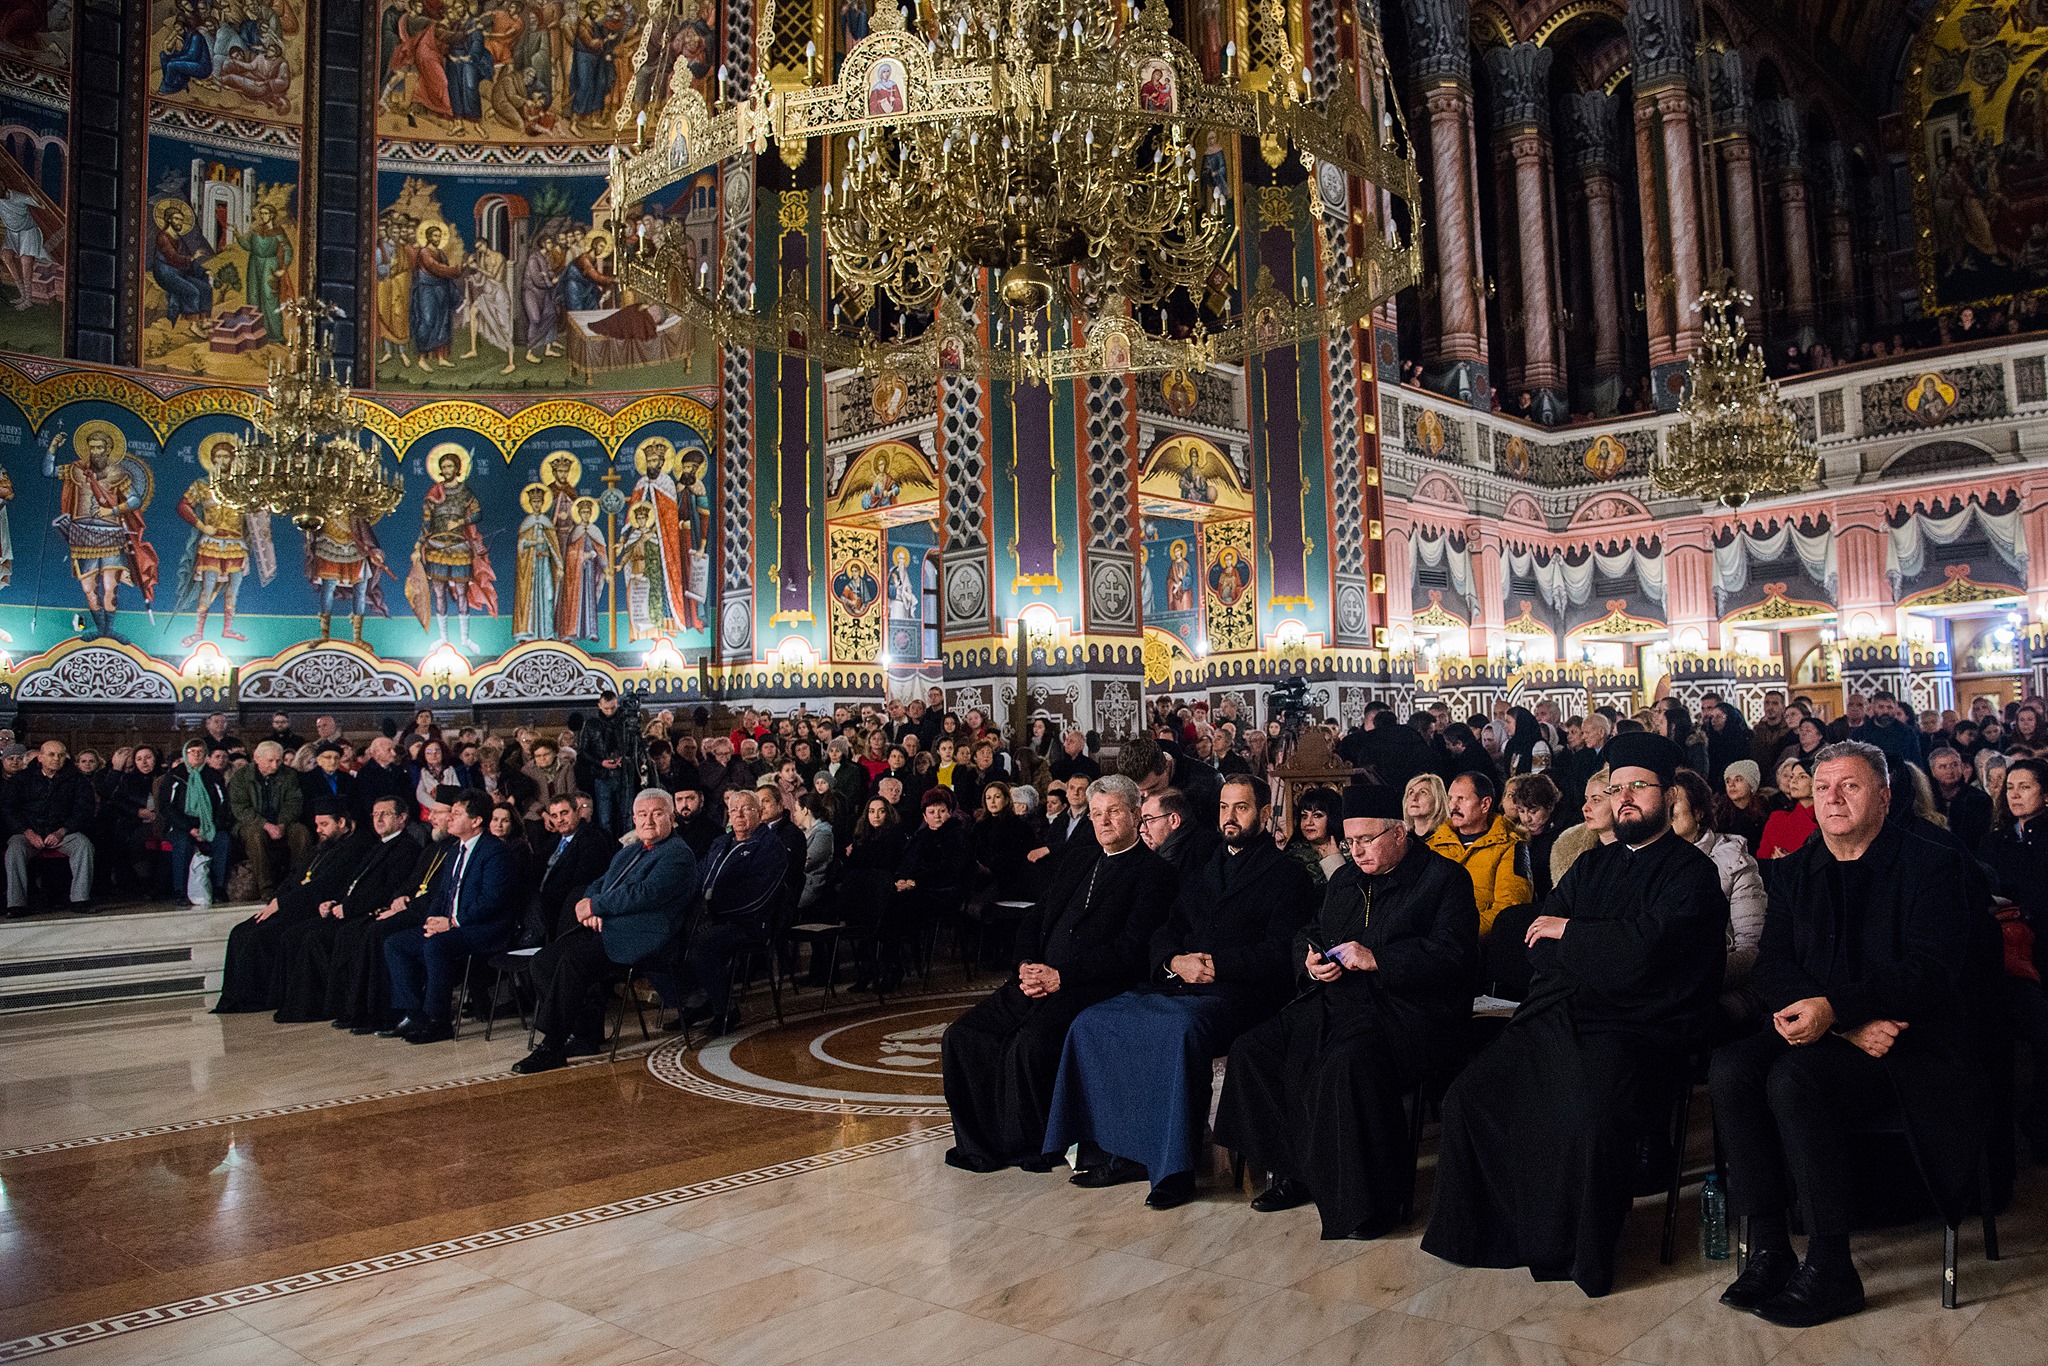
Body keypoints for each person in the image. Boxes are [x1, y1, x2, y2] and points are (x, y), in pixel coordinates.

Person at [1423, 732, 1730, 1297]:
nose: (1626, 797)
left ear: (1669, 794)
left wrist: (1576, 937)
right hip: (1562, 1014)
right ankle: (1494, 1236)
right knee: (1471, 1096)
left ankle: (1571, 1247)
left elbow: (1652, 956)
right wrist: (1587, 946)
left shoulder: (1691, 873)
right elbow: (1535, 942)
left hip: (1642, 1029)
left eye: (1639, 786)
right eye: (1617, 788)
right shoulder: (1591, 867)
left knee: (1585, 1112)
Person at [1710, 742, 1991, 1328]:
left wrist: (1836, 1013)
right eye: (1822, 787)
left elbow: (1930, 969)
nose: (1832, 798)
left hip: (1912, 1040)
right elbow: (1771, 965)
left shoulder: (1932, 862)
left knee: (1793, 1080)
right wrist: (1843, 1024)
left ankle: (1833, 1265)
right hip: (1842, 1027)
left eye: (1850, 787)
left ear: (1885, 796)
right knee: (1731, 1068)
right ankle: (1769, 1247)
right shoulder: (1794, 870)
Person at [1214, 783, 1479, 1238]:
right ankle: (1297, 1171)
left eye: (1366, 840)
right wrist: (1312, 964)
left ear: (1399, 833)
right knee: (1254, 1050)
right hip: (1336, 1002)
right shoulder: (1345, 881)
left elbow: (1454, 957)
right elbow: (1309, 934)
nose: (1355, 851)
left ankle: (1368, 1204)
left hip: (1408, 1014)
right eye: (1349, 841)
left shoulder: (1444, 880)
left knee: (1343, 1065)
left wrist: (1378, 959)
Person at [1044, 775, 1315, 1209]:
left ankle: (1175, 1169)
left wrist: (1214, 965)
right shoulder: (1204, 868)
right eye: (1224, 807)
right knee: (1093, 1021)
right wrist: (1173, 961)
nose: (1229, 816)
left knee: (1178, 1034)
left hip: (1239, 994)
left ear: (1264, 814)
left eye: (1241, 808)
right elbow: (1166, 929)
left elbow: (1281, 951)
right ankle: (1118, 1151)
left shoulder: (1288, 875)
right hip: (1179, 983)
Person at [940, 775, 1176, 1173]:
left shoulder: (1155, 874)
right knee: (961, 1037)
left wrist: (1060, 975)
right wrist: (1025, 965)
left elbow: (1128, 950)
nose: (1103, 821)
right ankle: (982, 1143)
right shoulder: (1080, 858)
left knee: (1028, 1046)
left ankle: (1029, 1146)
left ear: (1137, 815)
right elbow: (1035, 917)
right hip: (1038, 978)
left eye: (1114, 812)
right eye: (1097, 813)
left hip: (1090, 986)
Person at [513, 789, 702, 1074]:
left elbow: (646, 893)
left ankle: (552, 1046)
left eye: (657, 813)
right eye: (642, 815)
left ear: (671, 818)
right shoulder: (630, 851)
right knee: (544, 960)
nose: (648, 820)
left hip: (646, 935)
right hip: (613, 927)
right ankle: (586, 1033)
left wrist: (598, 906)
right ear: (634, 820)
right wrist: (589, 904)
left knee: (575, 959)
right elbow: (599, 882)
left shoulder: (677, 854)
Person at [379, 789, 520, 1044]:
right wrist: (432, 921)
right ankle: (414, 1014)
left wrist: (453, 922)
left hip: (487, 929)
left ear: (476, 821)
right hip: (452, 926)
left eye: (456, 814)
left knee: (436, 945)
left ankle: (438, 1020)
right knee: (396, 943)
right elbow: (442, 895)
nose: (450, 819)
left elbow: (492, 900)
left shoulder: (495, 851)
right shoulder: (454, 851)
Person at [214, 801, 372, 1014]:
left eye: (324, 824)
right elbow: (294, 876)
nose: (319, 831)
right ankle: (237, 998)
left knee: (258, 937)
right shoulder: (322, 847)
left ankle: (260, 998)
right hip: (293, 904)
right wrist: (275, 901)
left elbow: (324, 886)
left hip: (311, 908)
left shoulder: (354, 847)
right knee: (241, 932)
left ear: (342, 823)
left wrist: (282, 904)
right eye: (317, 825)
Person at [273, 797, 421, 1023]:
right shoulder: (378, 846)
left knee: (323, 937)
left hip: (366, 912)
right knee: (295, 935)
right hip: (350, 909)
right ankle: (309, 1004)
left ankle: (342, 1007)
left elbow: (386, 891)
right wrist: (334, 901)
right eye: (375, 814)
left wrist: (348, 907)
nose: (378, 819)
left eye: (386, 814)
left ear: (402, 818)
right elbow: (353, 883)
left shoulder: (406, 848)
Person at [682, 788, 788, 1035]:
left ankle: (725, 1010)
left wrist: (712, 909)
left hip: (748, 923)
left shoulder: (770, 847)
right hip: (713, 919)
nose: (739, 814)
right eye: (733, 810)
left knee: (699, 947)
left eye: (746, 809)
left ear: (760, 813)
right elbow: (697, 878)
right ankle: (698, 1002)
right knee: (667, 939)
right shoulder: (721, 842)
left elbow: (758, 897)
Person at [1667, 769, 1766, 1021]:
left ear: (1698, 812)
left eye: (1674, 803)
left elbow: (1751, 947)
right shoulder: (1652, 861)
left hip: (1722, 986)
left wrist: (1693, 977)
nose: (1666, 812)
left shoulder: (1734, 861)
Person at [1425, 771, 1533, 938]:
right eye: (1450, 798)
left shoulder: (1510, 846)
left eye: (1462, 799)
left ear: (1485, 804)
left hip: (1477, 948)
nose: (1453, 806)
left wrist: (1455, 935)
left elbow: (1510, 909)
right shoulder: (1432, 846)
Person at [4, 741, 96, 911]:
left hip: (64, 832)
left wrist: (62, 831)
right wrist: (28, 832)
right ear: (40, 757)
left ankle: (80, 899)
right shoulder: (21, 779)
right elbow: (9, 809)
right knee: (15, 849)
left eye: (61, 755)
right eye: (51, 755)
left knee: (83, 846)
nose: (56, 759)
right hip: (29, 833)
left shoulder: (77, 779)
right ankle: (16, 904)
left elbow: (84, 809)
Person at [229, 740, 310, 899]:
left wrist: (282, 823)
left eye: (278, 761)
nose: (275, 765)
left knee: (301, 833)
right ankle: (266, 888)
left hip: (282, 821)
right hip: (251, 823)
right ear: (256, 758)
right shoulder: (241, 776)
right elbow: (240, 808)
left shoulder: (289, 775)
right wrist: (265, 825)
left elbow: (293, 803)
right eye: (270, 761)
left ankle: (294, 882)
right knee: (255, 835)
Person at [160, 738, 232, 905]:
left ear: (206, 756)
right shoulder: (174, 776)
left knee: (223, 841)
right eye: (192, 752)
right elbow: (167, 807)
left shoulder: (213, 776)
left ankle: (219, 888)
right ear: (186, 754)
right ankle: (180, 891)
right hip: (181, 826)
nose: (196, 755)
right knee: (183, 843)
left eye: (200, 752)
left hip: (209, 825)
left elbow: (223, 805)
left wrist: (212, 827)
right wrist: (189, 828)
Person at [1137, 787, 1214, 881]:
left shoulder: (1206, 852)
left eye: (1149, 820)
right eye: (1143, 821)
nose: (1142, 829)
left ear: (1174, 820)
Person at [1928, 745, 1993, 853]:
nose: (1950, 771)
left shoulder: (1979, 798)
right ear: (1933, 771)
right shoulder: (1928, 798)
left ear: (1961, 768)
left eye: (1954, 765)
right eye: (1943, 767)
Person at [1757, 754, 1819, 859]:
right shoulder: (1777, 819)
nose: (1793, 781)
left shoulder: (1828, 822)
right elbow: (1762, 859)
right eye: (1792, 776)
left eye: (1802, 776)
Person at [1285, 787, 1346, 889]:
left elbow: (1349, 895)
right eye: (1304, 816)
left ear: (1333, 817)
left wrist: (1335, 860)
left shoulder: (1354, 852)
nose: (1308, 822)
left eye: (1317, 815)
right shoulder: (1291, 858)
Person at [1714, 760, 1772, 853]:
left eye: (1738, 779)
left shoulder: (1766, 811)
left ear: (1751, 785)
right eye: (1728, 781)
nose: (1731, 785)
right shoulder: (1718, 811)